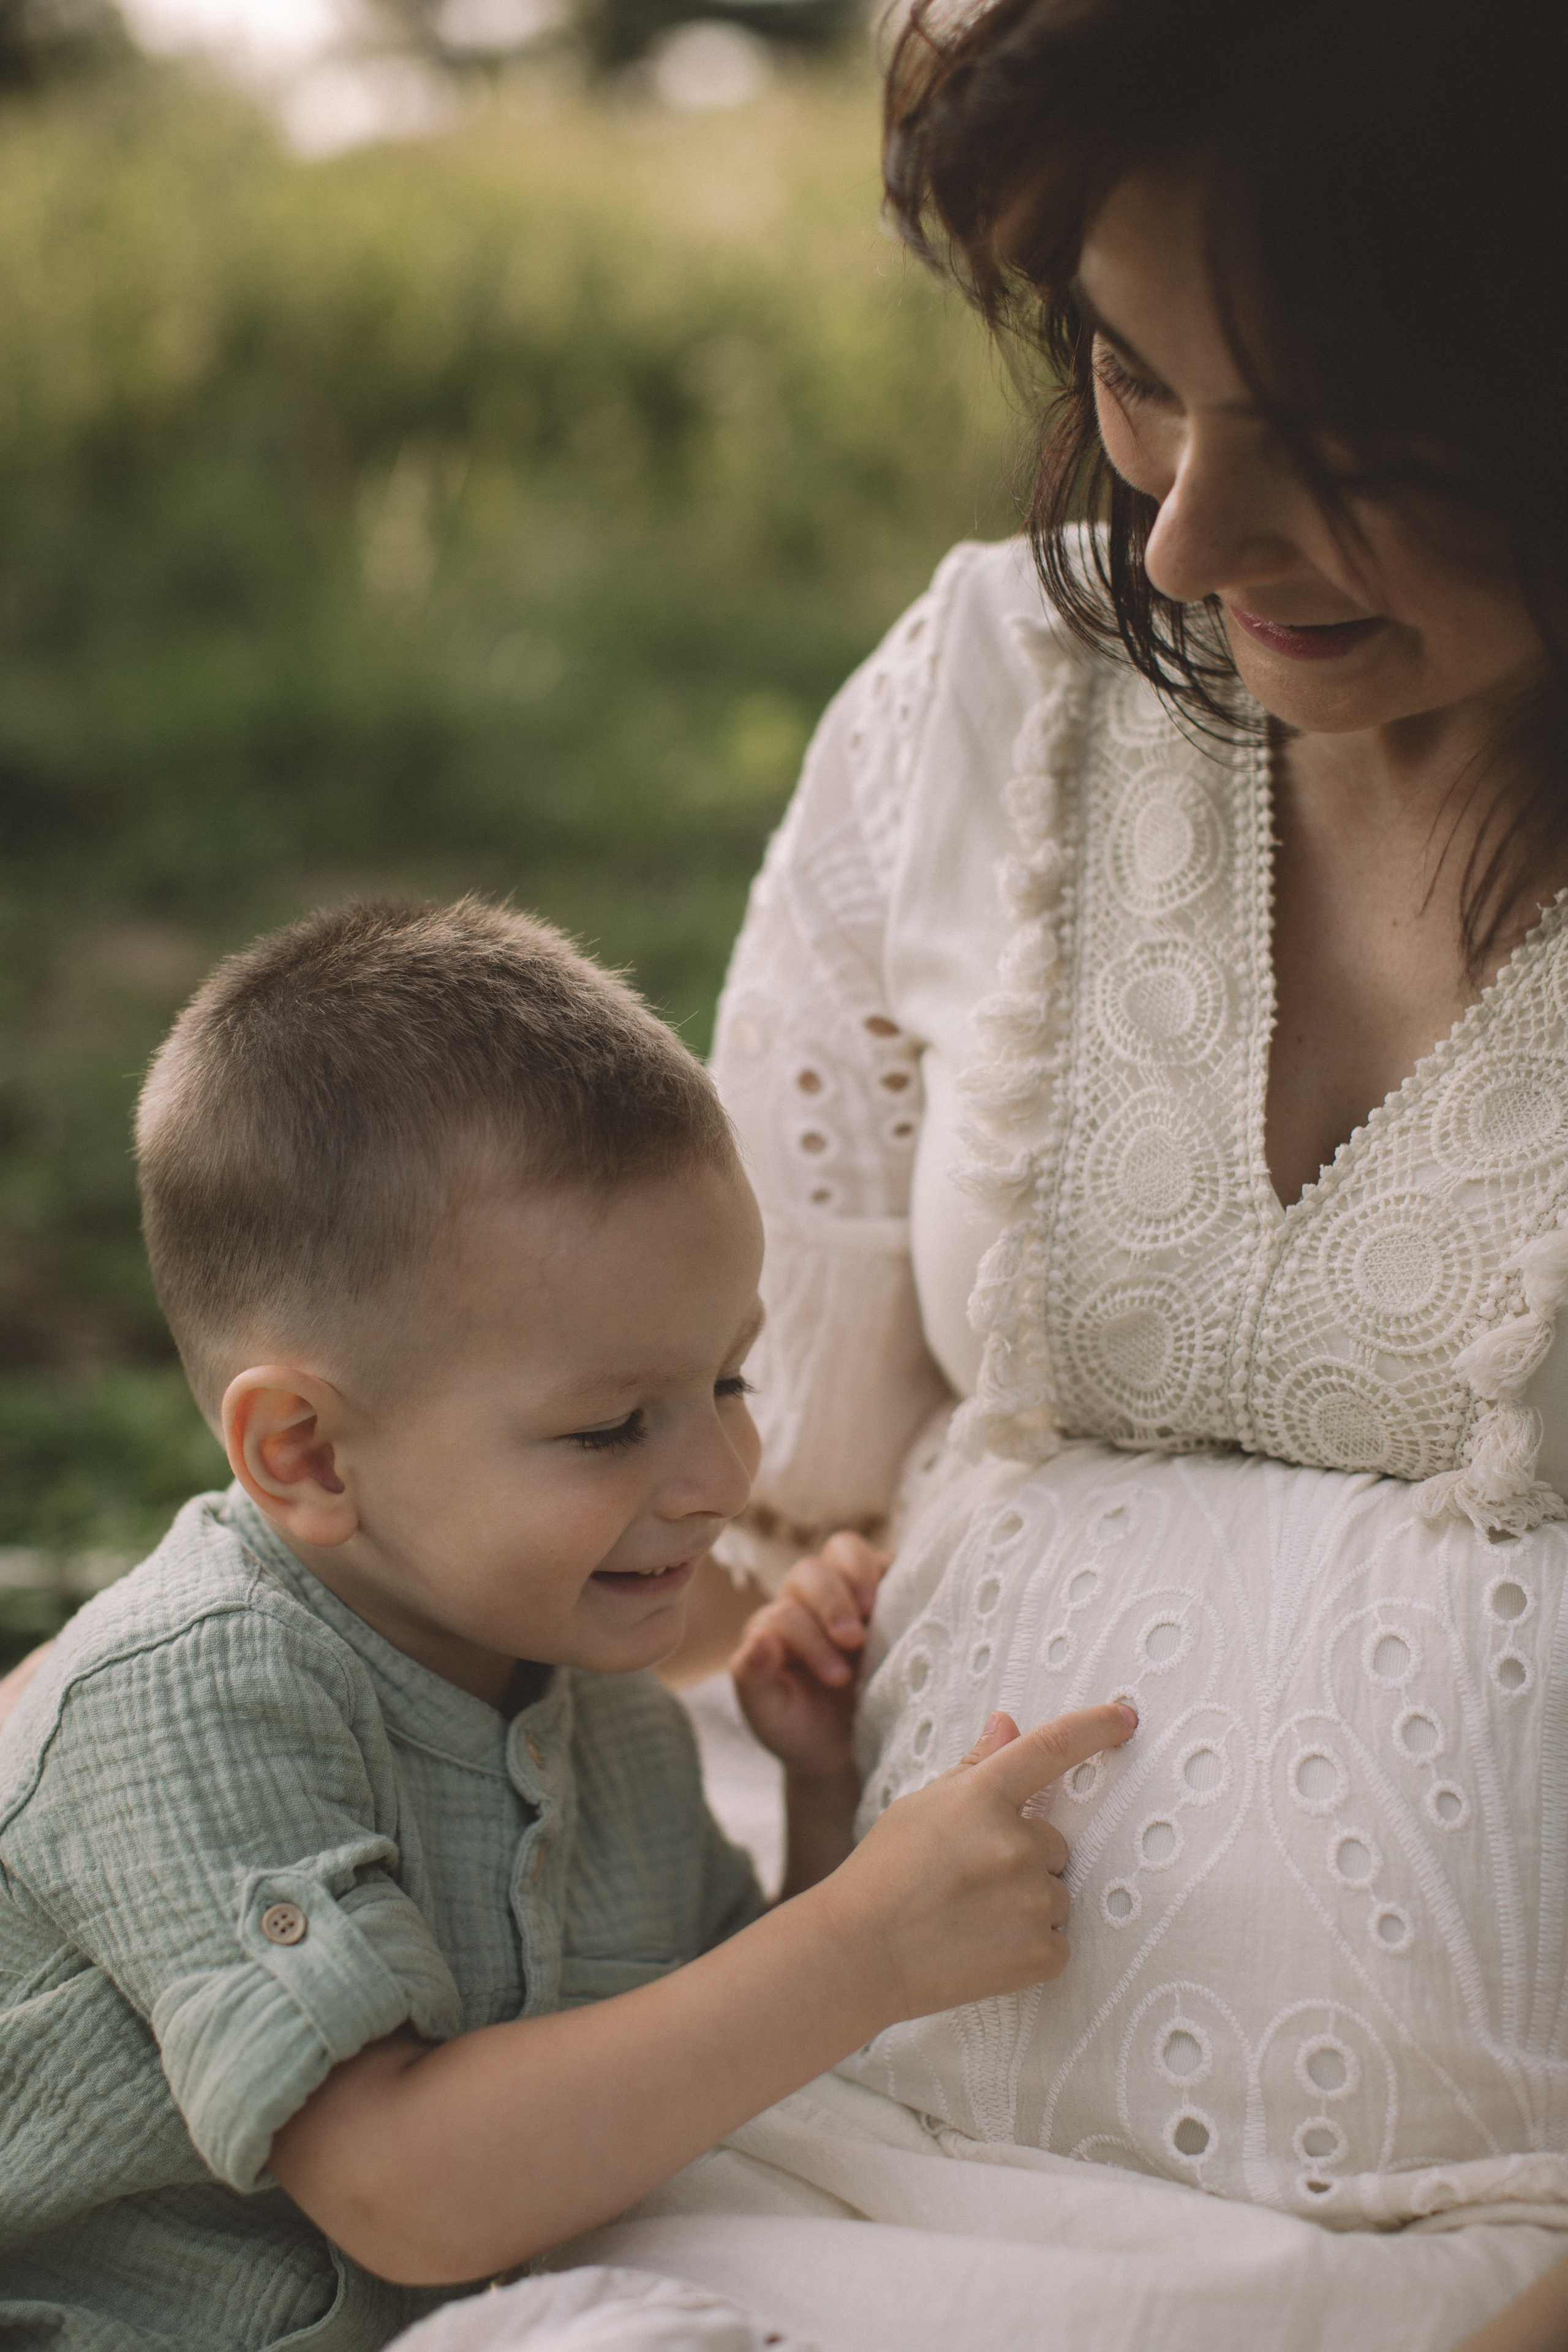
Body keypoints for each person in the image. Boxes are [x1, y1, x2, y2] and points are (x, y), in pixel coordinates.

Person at [649, 0, 1568, 2343]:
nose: (1187, 534)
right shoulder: (989, 702)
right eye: (1135, 373)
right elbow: (703, 1502)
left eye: (1347, 439)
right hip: (836, 2161)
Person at [0, 895, 1135, 2351]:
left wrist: (820, 1798)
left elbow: (704, 2051)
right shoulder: (184, 1702)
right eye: (610, 1426)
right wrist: (862, 1944)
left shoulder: (595, 1702)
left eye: (727, 1382)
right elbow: (404, 2188)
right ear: (308, 1454)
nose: (724, 1478)